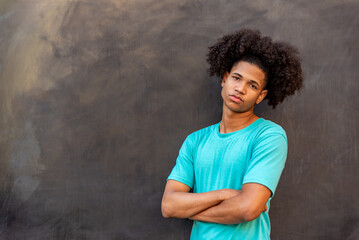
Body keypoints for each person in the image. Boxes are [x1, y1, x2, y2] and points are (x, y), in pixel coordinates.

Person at [161, 28, 303, 240]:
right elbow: (168, 205)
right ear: (225, 78)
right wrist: (224, 194)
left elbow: (247, 208)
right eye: (237, 78)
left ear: (260, 96)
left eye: (252, 85)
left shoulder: (269, 136)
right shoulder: (195, 141)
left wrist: (190, 210)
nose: (240, 88)